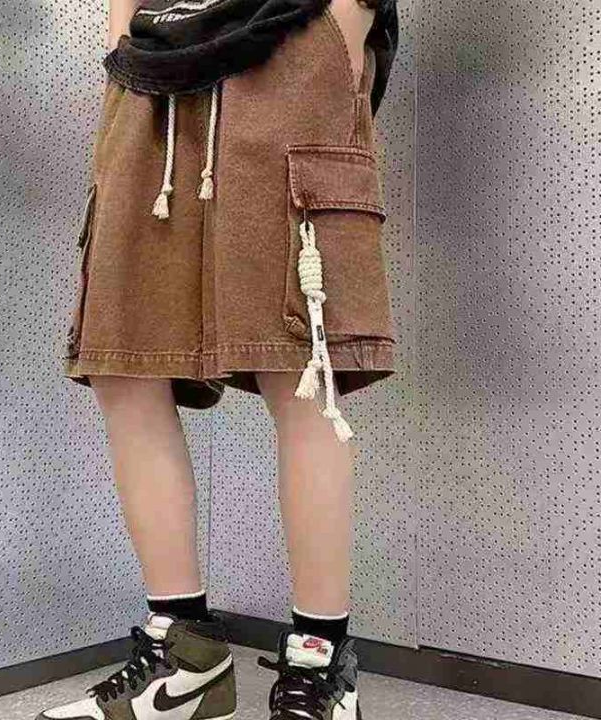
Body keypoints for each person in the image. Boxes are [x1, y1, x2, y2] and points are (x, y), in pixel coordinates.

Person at [38, 0, 398, 718]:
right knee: (125, 362)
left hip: (291, 35)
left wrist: (346, 16)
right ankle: (186, 654)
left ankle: (319, 658)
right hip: (156, 64)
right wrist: (122, 35)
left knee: (300, 371)